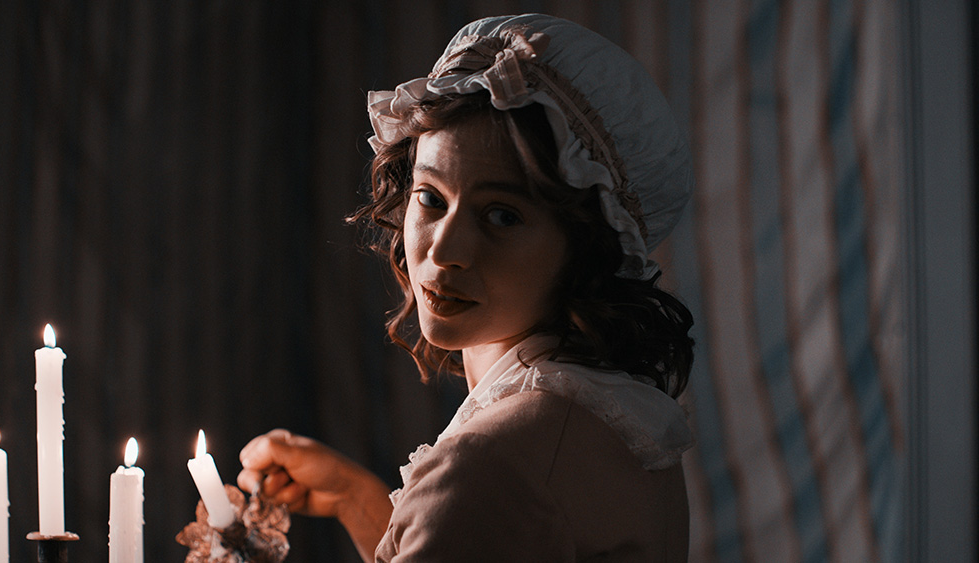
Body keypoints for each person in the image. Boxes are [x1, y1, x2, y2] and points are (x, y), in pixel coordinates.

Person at [238, 13, 696, 562]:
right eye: (431, 198)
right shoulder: (608, 418)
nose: (444, 250)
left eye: (502, 215)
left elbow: (486, 505)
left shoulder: (491, 463)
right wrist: (356, 500)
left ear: (587, 247)